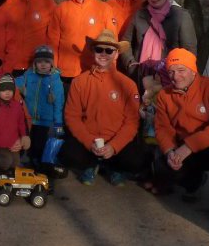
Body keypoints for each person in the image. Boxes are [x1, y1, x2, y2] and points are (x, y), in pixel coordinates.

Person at [156, 48, 209, 224]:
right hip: (187, 149)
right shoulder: (164, 95)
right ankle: (194, 183)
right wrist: (170, 151)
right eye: (171, 72)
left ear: (193, 69)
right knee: (163, 164)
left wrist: (187, 147)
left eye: (181, 70)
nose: (176, 77)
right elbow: (162, 128)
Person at [60, 30, 147, 186]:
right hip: (90, 140)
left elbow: (132, 121)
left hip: (116, 141)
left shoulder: (127, 84)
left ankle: (113, 167)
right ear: (93, 51)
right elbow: (72, 116)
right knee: (67, 154)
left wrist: (114, 147)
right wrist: (88, 142)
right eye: (99, 49)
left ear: (116, 54)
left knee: (137, 160)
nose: (104, 54)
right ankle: (90, 165)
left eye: (109, 50)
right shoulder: (79, 82)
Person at [46, 0, 118, 92]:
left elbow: (112, 44)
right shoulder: (60, 9)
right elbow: (52, 43)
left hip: (94, 72)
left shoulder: (105, 9)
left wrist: (110, 72)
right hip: (65, 75)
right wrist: (53, 72)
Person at [120, 0, 198, 81]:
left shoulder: (181, 16)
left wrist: (180, 75)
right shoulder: (140, 14)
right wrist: (130, 64)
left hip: (170, 78)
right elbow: (125, 42)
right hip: (140, 75)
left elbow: (190, 50)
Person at [15, 45, 65, 172]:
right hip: (30, 118)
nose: (43, 65)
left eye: (47, 62)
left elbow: (59, 103)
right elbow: (16, 81)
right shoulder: (29, 74)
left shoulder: (55, 80)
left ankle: (41, 164)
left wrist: (58, 122)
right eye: (39, 62)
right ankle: (31, 161)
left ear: (51, 64)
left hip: (46, 121)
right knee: (29, 141)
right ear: (35, 63)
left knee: (40, 143)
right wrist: (22, 88)